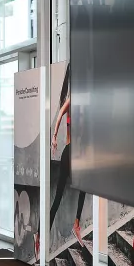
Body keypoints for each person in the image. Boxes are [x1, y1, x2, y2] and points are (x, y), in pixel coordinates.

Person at [50, 62, 87, 246]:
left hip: (75, 152)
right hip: (71, 151)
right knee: (60, 195)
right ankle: (43, 234)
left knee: (78, 188)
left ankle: (76, 224)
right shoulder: (72, 99)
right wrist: (54, 136)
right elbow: (59, 116)